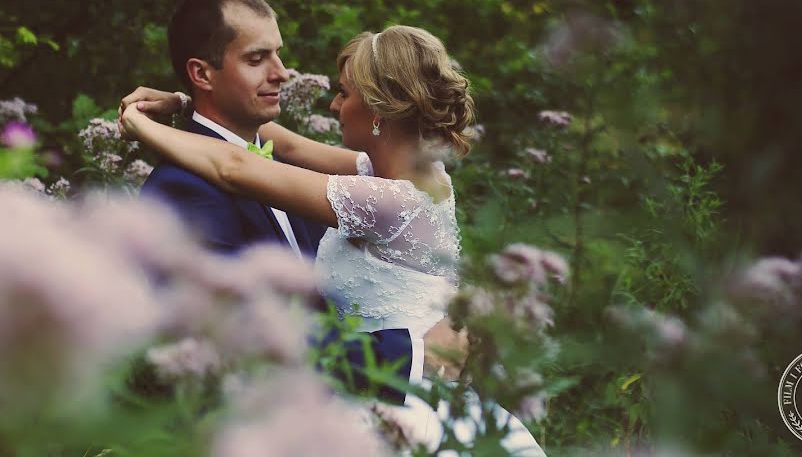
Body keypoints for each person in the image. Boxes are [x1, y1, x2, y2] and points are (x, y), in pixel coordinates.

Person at [120, 23, 546, 454]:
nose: (334, 104)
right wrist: (185, 104)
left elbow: (234, 167)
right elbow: (281, 143)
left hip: (401, 397)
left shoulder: (388, 201)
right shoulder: (407, 175)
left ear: (378, 110)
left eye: (344, 94)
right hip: (387, 383)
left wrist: (138, 123)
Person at [125, 0, 465, 406]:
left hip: (376, 402)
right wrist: (178, 107)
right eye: (257, 58)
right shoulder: (183, 189)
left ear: (381, 110)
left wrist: (156, 116)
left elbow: (243, 162)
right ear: (202, 74)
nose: (282, 72)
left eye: (278, 54)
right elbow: (234, 332)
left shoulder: (362, 189)